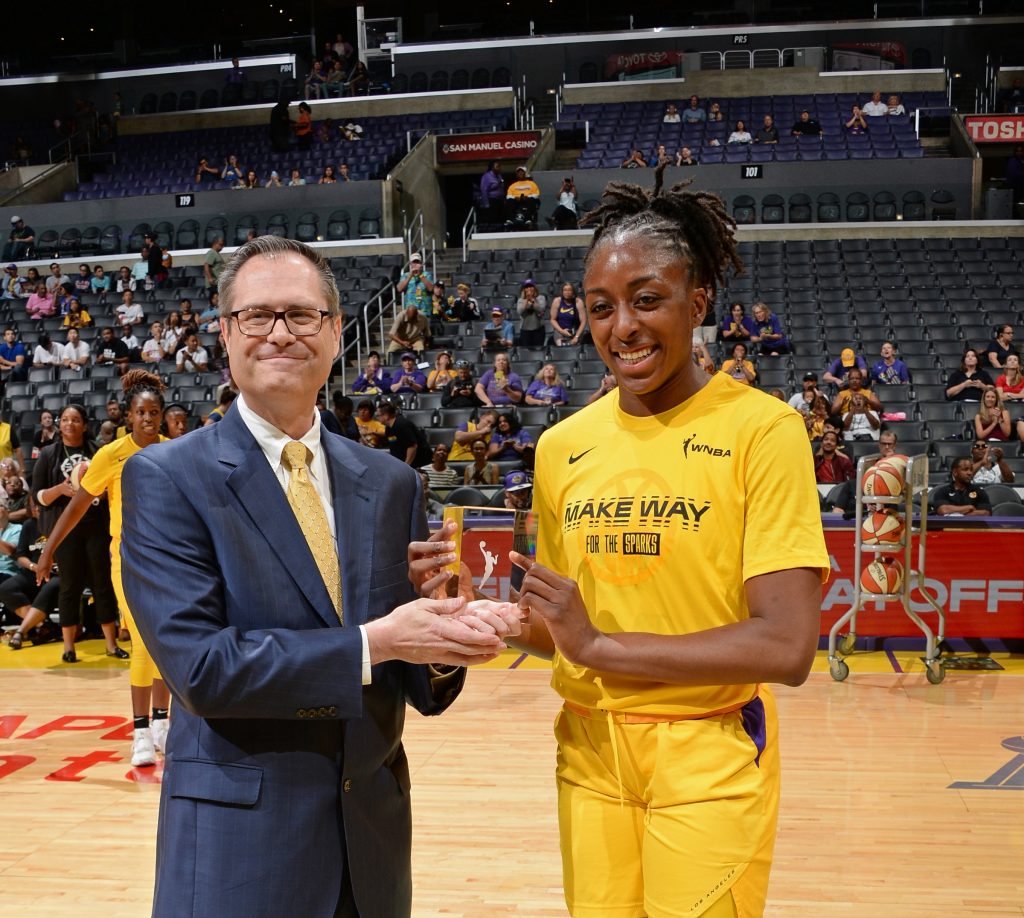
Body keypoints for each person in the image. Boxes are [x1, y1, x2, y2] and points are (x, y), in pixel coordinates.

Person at [119, 236, 510, 916]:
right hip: (240, 852)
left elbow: (414, 683)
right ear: (225, 334)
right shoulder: (165, 478)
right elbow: (204, 670)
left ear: (334, 333)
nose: (280, 332)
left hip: (372, 851)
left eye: (301, 315)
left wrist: (444, 631)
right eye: (257, 316)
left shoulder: (389, 483)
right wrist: (378, 642)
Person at [502, 166, 827, 918]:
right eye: (602, 308)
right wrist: (484, 623)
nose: (624, 327)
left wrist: (601, 650)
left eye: (647, 299)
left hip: (706, 751)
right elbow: (565, 631)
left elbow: (787, 646)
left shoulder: (763, 431)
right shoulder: (562, 445)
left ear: (698, 303)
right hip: (588, 750)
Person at [36, 372, 171, 767]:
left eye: (154, 412)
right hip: (129, 559)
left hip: (170, 562)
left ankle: (163, 724)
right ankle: (141, 731)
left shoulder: (174, 451)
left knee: (164, 643)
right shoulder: (111, 455)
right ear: (128, 416)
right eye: (141, 412)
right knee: (144, 643)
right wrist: (49, 552)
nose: (148, 418)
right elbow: (77, 505)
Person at [31, 403, 124, 663]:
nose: (69, 424)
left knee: (102, 584)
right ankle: (68, 646)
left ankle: (111, 644)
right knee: (69, 586)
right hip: (65, 530)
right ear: (59, 425)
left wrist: (102, 491)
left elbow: (112, 486)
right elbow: (38, 498)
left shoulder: (98, 452)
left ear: (84, 424)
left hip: (97, 527)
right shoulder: (49, 454)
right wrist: (60, 489)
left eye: (75, 420)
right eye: (64, 420)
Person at [0, 494, 61, 651]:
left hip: (56, 573)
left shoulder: (59, 522)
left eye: (39, 505)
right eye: (33, 505)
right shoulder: (28, 525)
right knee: (6, 588)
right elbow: (20, 556)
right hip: (32, 571)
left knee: (50, 588)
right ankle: (43, 626)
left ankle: (21, 631)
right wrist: (34, 567)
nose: (36, 508)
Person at [377, 400, 431, 466]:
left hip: (420, 462)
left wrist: (406, 465)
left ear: (386, 416)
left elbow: (412, 446)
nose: (377, 418)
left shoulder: (402, 425)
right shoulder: (388, 428)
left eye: (378, 415)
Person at [396, 252, 434, 317]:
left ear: (421, 264)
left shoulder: (427, 275)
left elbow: (431, 288)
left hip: (424, 311)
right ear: (410, 264)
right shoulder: (405, 275)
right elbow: (399, 289)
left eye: (418, 262)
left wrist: (420, 275)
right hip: (410, 311)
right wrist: (410, 276)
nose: (416, 264)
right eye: (414, 262)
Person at [550, 282, 587, 348]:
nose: (567, 292)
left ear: (573, 292)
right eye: (565, 290)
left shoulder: (578, 302)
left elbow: (583, 321)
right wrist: (562, 331)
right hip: (560, 331)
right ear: (562, 292)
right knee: (562, 349)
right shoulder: (557, 301)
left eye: (569, 290)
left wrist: (576, 336)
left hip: (575, 332)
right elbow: (553, 319)